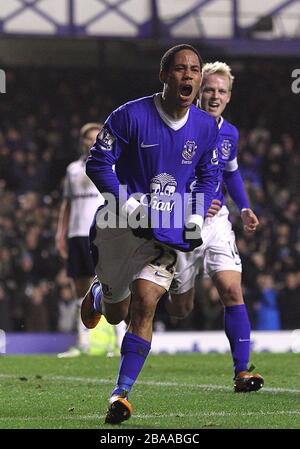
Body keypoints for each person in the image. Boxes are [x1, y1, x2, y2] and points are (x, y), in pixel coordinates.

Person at [80, 44, 220, 424]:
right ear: (164, 75)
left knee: (145, 303)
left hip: (167, 230)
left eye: (194, 69)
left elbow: (210, 174)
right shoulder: (129, 115)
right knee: (115, 313)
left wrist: (196, 212)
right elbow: (98, 163)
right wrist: (130, 208)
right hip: (117, 226)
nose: (188, 76)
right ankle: (99, 292)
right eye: (179, 69)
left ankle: (120, 394)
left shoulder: (207, 127)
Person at [166, 61, 264, 392]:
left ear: (229, 96)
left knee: (232, 290)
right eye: (209, 89)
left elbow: (232, 172)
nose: (214, 95)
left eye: (221, 91)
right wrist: (186, 203)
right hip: (181, 221)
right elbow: (162, 174)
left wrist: (245, 206)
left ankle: (242, 371)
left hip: (218, 221)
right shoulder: (179, 125)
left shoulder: (230, 133)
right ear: (197, 91)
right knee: (181, 308)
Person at [55, 122, 106, 357]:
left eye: (96, 138)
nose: (92, 142)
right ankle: (82, 342)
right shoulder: (72, 169)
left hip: (101, 233)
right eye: (88, 138)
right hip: (76, 234)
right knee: (80, 289)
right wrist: (60, 233)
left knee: (110, 284)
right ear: (82, 142)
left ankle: (118, 342)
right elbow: (67, 204)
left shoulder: (109, 165)